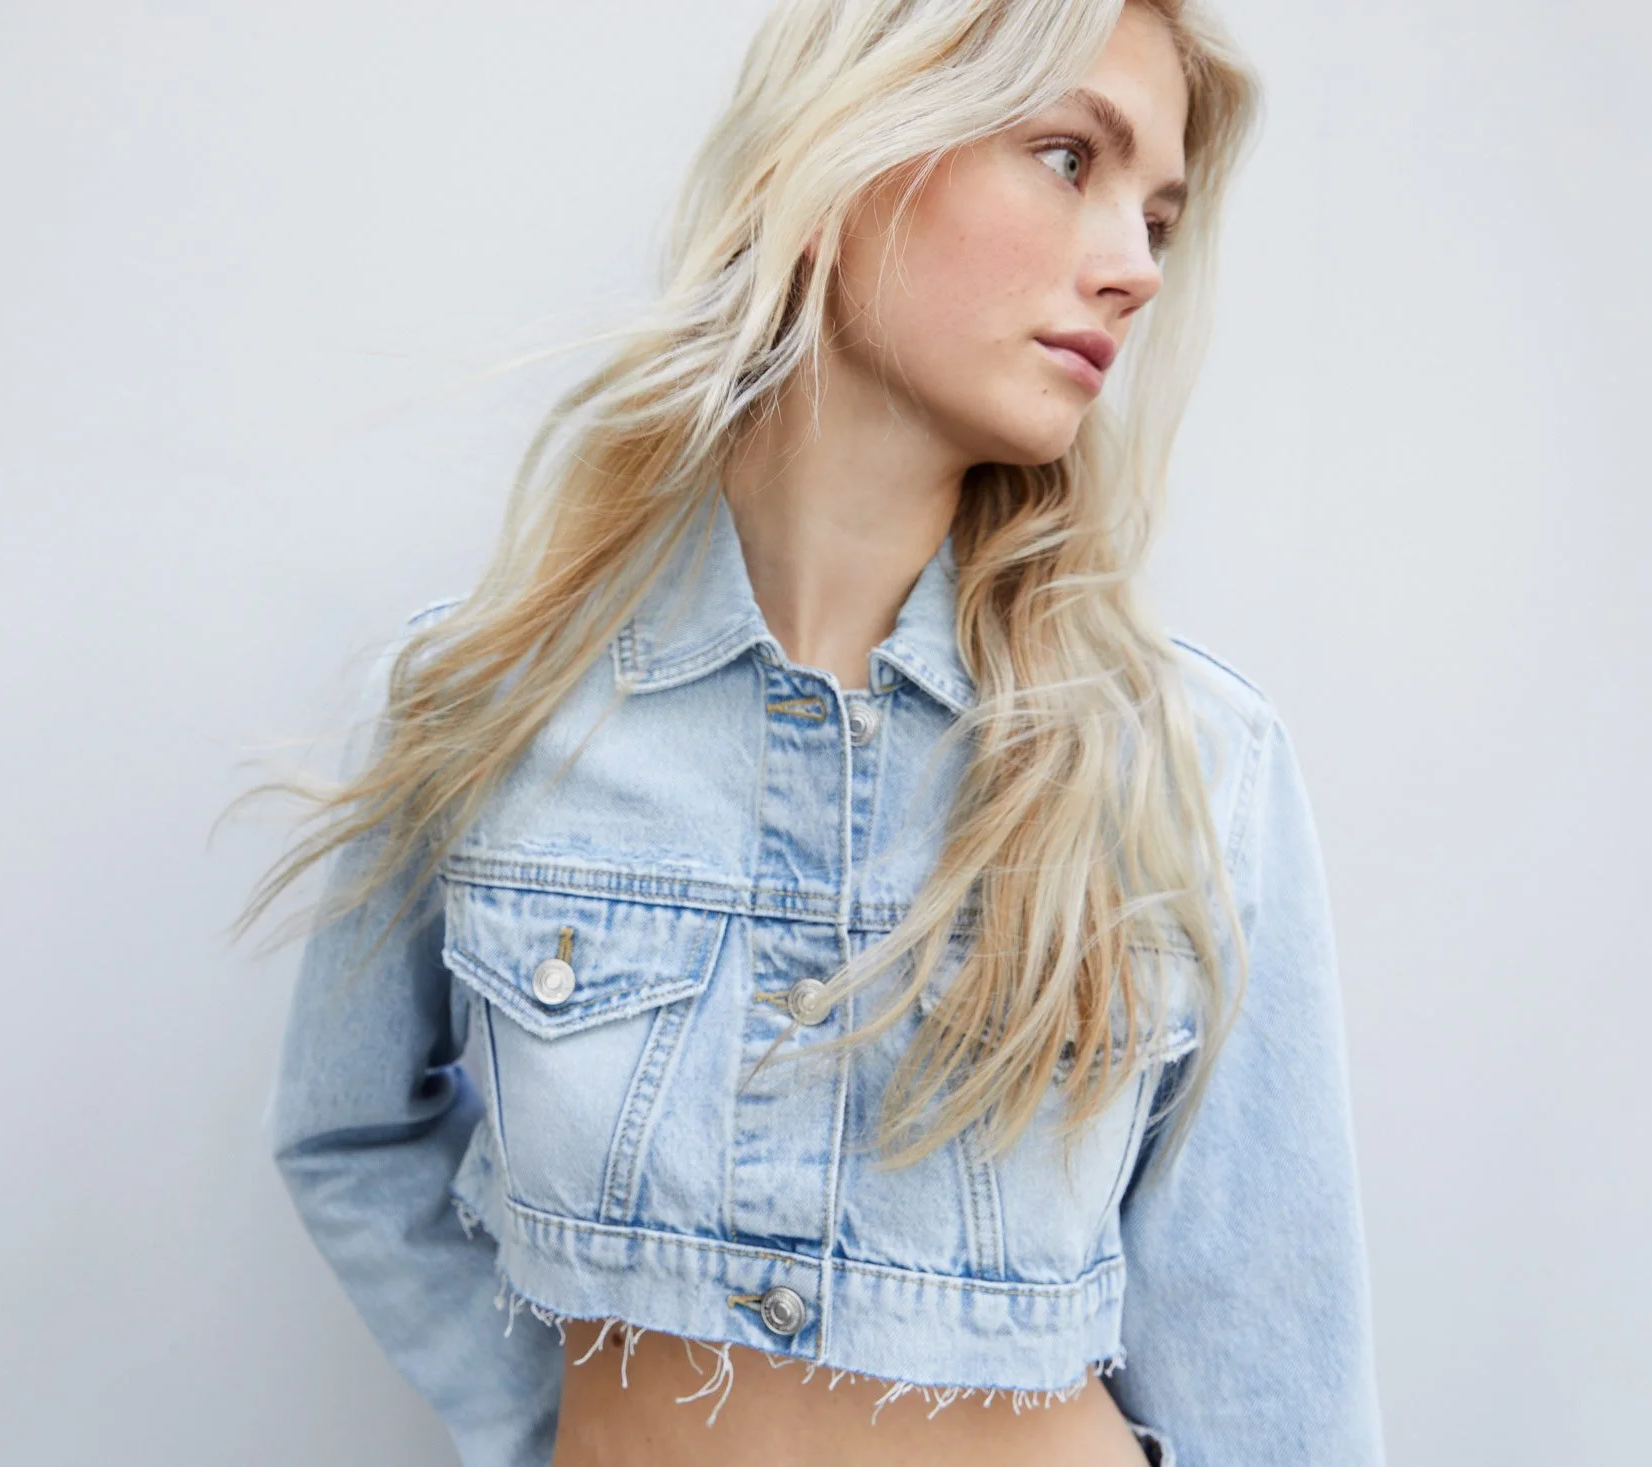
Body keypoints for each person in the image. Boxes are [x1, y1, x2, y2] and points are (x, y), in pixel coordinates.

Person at [240, 1, 1383, 1463]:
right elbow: (346, 1133)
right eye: (1066, 159)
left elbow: (1272, 1373)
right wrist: (565, 1428)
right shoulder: (479, 701)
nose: (1137, 267)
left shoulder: (1192, 767)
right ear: (851, 149)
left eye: (1158, 217)